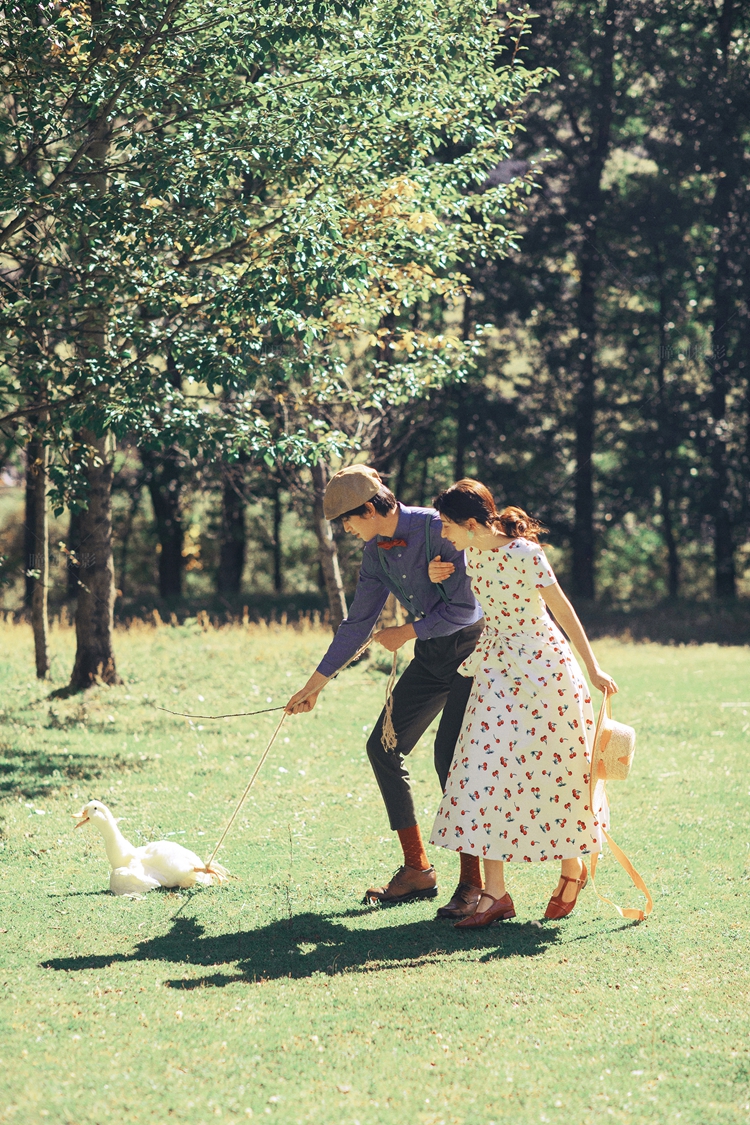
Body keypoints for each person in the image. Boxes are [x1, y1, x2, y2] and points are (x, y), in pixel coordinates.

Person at [285, 465, 486, 916]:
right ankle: (417, 869)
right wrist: (314, 686)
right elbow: (358, 623)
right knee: (382, 747)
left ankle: (473, 884)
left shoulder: (440, 528)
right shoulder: (375, 553)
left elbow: (467, 608)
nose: (347, 531)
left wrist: (408, 630)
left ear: (372, 507)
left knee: (450, 758)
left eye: (349, 521)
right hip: (432, 658)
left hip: (471, 654)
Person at [427, 479, 617, 927]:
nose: (444, 534)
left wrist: (592, 668)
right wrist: (436, 573)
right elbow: (457, 583)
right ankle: (496, 894)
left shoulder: (526, 554)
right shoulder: (471, 551)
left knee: (556, 769)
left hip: (544, 670)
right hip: (495, 669)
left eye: (448, 526)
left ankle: (572, 867)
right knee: (483, 770)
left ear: (472, 523)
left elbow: (563, 610)